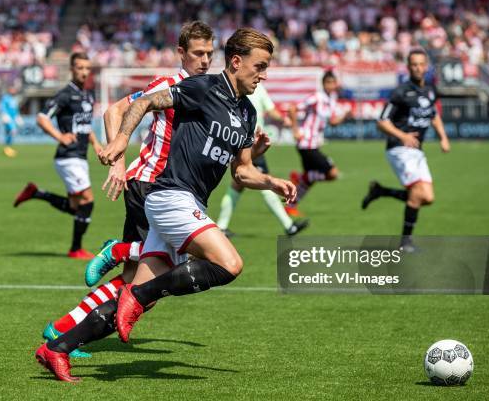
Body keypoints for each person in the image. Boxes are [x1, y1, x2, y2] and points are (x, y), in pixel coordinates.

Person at [35, 28, 296, 382]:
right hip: (169, 195)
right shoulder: (202, 87)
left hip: (188, 202)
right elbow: (141, 103)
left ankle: (58, 347)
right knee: (229, 264)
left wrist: (273, 181)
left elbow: (243, 172)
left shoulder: (248, 113)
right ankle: (130, 275)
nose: (263, 75)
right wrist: (121, 144)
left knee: (135, 295)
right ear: (236, 61)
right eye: (259, 66)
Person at [40, 21, 216, 359]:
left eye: (209, 53)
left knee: (134, 283)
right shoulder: (169, 85)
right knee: (185, 261)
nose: (205, 60)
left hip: (172, 190)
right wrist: (118, 161)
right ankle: (119, 250)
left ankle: (62, 329)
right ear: (181, 53)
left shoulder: (205, 90)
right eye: (198, 53)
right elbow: (114, 110)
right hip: (151, 186)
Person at [13, 52, 102, 259]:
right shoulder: (65, 94)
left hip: (80, 156)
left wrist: (96, 143)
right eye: (79, 68)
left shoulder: (88, 95)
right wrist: (60, 136)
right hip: (68, 156)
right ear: (72, 69)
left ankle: (36, 193)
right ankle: (75, 249)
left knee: (75, 208)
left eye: (87, 68)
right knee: (87, 201)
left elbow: (84, 126)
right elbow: (42, 118)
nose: (83, 72)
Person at [361, 48, 450, 251]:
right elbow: (382, 121)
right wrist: (403, 136)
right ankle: (405, 243)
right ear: (408, 67)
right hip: (399, 149)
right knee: (418, 193)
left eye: (421, 64)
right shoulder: (401, 92)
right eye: (414, 64)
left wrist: (443, 138)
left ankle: (380, 191)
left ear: (426, 66)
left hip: (417, 151)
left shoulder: (430, 89)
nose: (418, 68)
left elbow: (433, 114)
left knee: (427, 198)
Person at [216, 83, 308, 237]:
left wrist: (283, 120)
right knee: (265, 183)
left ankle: (221, 227)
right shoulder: (235, 87)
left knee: (237, 186)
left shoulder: (257, 88)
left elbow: (270, 110)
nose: (261, 75)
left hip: (252, 143)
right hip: (247, 143)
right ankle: (289, 226)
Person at [285, 70, 352, 216]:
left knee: (310, 180)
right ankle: (300, 177)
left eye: (333, 82)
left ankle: (290, 206)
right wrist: (295, 130)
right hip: (306, 143)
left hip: (314, 144)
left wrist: (345, 115)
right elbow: (292, 108)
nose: (331, 85)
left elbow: (333, 122)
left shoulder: (331, 99)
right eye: (328, 83)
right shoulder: (316, 97)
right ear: (323, 84)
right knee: (332, 173)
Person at [0, 85, 23, 157]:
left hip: (13, 118)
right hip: (8, 118)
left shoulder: (14, 99)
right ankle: (7, 148)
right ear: (9, 90)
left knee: (9, 133)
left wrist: (17, 116)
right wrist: (4, 115)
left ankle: (7, 148)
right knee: (13, 130)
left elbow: (15, 109)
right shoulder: (6, 98)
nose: (14, 91)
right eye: (12, 90)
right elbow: (2, 107)